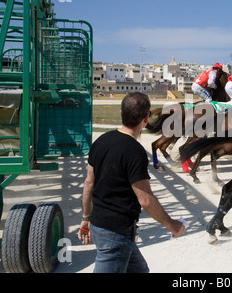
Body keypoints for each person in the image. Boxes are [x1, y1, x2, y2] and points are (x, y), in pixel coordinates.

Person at [78, 92, 185, 273]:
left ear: (121, 114)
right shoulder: (135, 152)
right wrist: (172, 225)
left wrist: (86, 219)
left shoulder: (101, 141)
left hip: (100, 225)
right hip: (115, 232)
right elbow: (145, 199)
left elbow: (89, 183)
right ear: (146, 118)